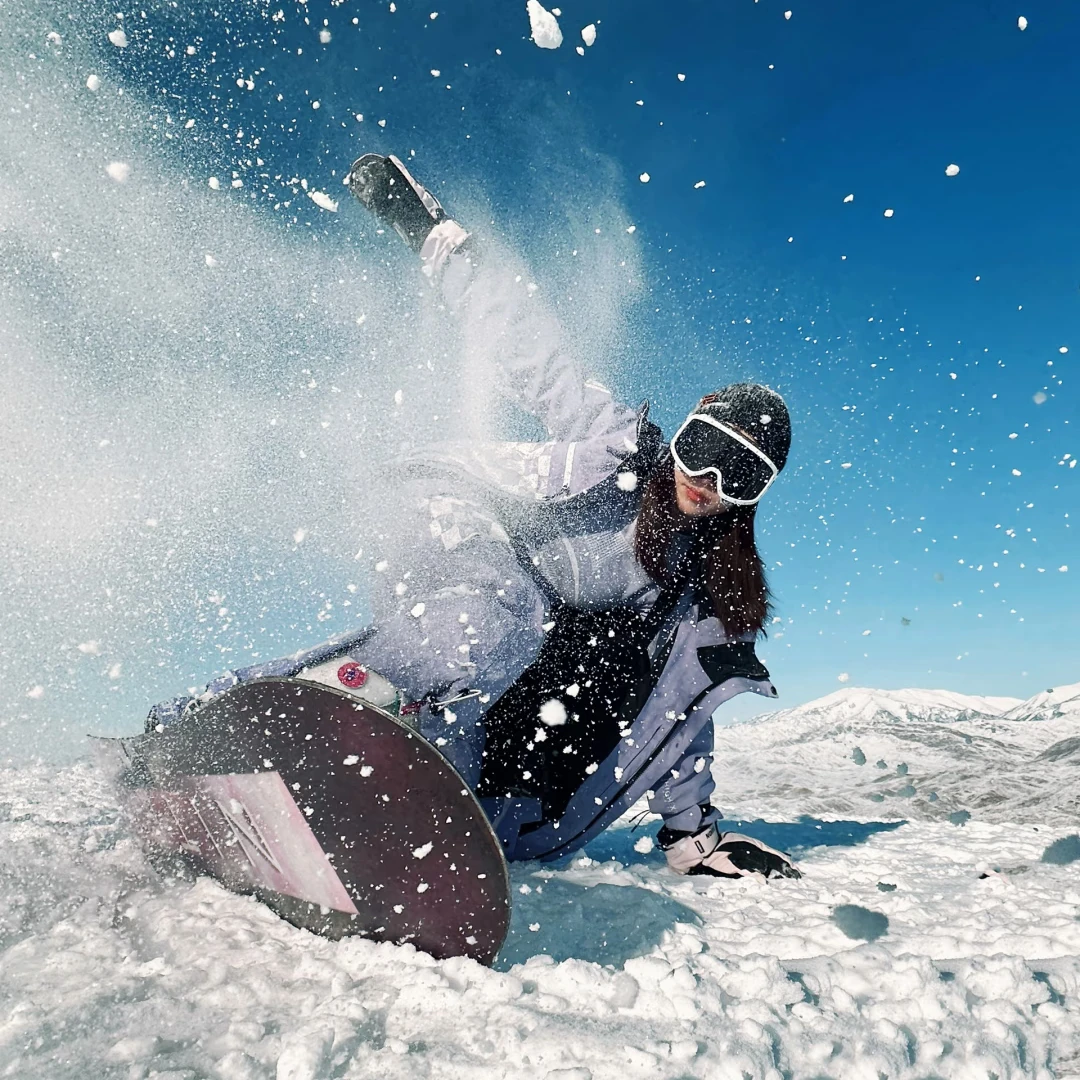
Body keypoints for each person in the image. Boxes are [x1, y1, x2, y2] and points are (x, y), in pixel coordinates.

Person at [148, 154, 800, 882]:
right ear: (680, 433)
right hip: (466, 528)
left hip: (510, 665)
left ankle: (414, 802)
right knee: (498, 620)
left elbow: (685, 711)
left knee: (525, 683)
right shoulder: (617, 444)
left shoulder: (703, 599)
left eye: (738, 474)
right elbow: (533, 352)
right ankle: (222, 722)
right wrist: (432, 237)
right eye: (701, 449)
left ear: (753, 497)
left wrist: (692, 836)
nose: (705, 481)